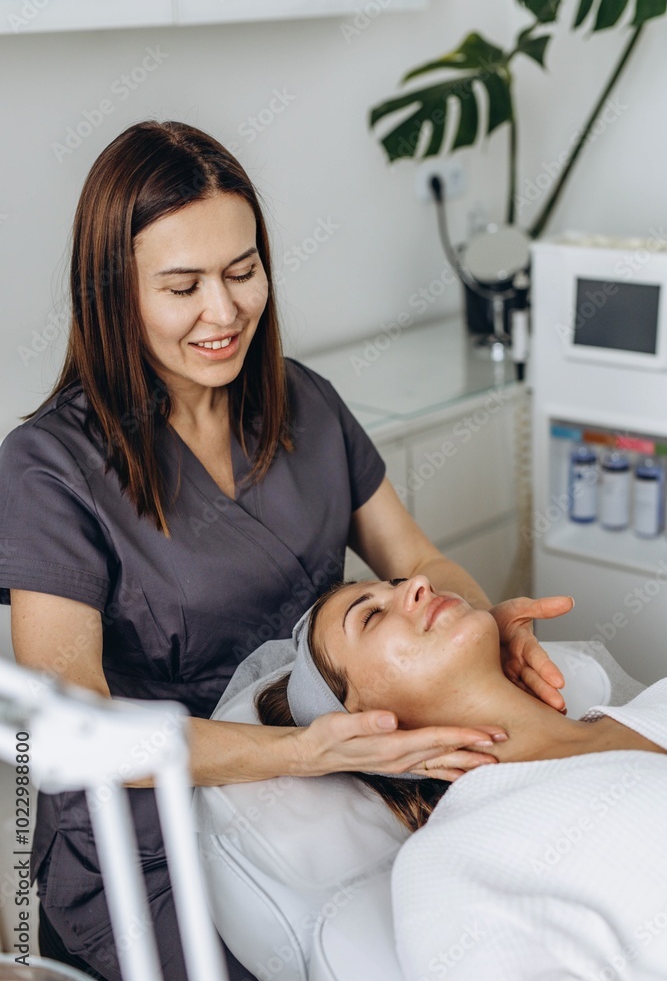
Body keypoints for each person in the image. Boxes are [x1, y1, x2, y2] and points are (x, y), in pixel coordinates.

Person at [0, 120, 569, 981]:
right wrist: (307, 752)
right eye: (182, 286)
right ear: (113, 294)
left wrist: (480, 628)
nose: (224, 312)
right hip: (156, 834)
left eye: (242, 272)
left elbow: (419, 561)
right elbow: (80, 728)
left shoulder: (302, 403)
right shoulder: (50, 467)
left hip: (337, 787)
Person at [257, 576, 667, 978]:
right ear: (362, 723)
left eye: (397, 582)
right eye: (370, 617)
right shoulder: (452, 860)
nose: (420, 582)